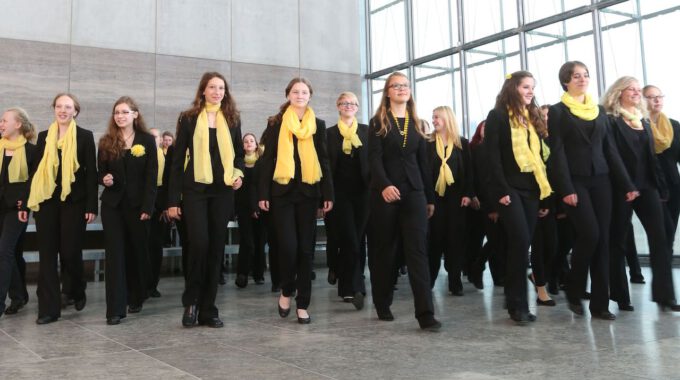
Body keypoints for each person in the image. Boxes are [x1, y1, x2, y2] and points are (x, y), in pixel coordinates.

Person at [548, 62, 636, 320]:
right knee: (591, 234)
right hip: (575, 182)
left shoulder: (597, 111)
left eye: (586, 75)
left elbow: (610, 150)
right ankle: (574, 286)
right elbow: (557, 153)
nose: (583, 79)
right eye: (576, 76)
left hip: (602, 181)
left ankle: (599, 304)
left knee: (603, 241)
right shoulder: (558, 111)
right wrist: (565, 188)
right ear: (566, 81)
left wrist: (627, 184)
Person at [168, 72, 244, 328]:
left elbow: (238, 157)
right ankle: (191, 301)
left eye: (221, 88)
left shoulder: (232, 119)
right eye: (212, 87)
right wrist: (172, 200)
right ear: (203, 90)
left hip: (222, 192)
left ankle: (208, 309)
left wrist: (239, 175)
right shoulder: (188, 118)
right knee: (199, 243)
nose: (217, 91)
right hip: (195, 191)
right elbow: (177, 161)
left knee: (215, 249)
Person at [367, 72, 440, 331]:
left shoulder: (418, 123)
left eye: (405, 85)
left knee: (418, 251)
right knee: (385, 250)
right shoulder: (378, 122)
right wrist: (384, 185)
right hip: (386, 193)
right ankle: (382, 301)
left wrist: (429, 197)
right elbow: (373, 160)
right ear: (387, 92)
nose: (402, 89)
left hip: (415, 192)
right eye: (396, 86)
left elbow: (424, 164)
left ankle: (425, 313)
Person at [258, 77, 333, 324]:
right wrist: (262, 194)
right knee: (288, 248)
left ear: (309, 96)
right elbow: (267, 160)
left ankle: (303, 304)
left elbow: (324, 161)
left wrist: (328, 195)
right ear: (288, 94)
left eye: (304, 92)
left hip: (309, 193)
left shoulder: (318, 125)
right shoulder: (276, 123)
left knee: (305, 250)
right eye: (295, 91)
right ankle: (286, 289)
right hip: (282, 193)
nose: (300, 95)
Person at [603, 76, 680, 312]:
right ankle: (620, 295)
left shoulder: (643, 121)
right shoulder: (611, 121)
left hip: (647, 187)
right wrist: (627, 186)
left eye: (638, 89)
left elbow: (650, 158)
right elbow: (612, 157)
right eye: (632, 89)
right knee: (617, 242)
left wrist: (660, 187)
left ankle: (665, 296)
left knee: (660, 238)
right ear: (619, 93)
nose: (637, 93)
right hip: (622, 188)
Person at [485, 71, 551, 324]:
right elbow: (491, 158)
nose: (530, 91)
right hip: (509, 189)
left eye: (532, 87)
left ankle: (515, 300)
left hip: (532, 189)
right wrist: (500, 191)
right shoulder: (498, 116)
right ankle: (518, 305)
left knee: (522, 245)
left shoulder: (532, 118)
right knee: (520, 241)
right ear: (513, 88)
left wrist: (544, 198)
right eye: (525, 87)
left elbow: (541, 160)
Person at [27, 93, 97, 325]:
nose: (63, 110)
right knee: (47, 255)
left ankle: (76, 288)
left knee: (69, 252)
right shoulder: (45, 136)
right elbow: (36, 171)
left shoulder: (85, 137)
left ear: (75, 111)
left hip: (74, 202)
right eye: (59, 106)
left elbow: (90, 174)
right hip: (47, 201)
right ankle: (48, 309)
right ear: (54, 109)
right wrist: (29, 201)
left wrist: (91, 206)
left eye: (68, 107)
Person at [98, 96, 158, 325]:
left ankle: (137, 294)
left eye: (124, 112)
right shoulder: (106, 141)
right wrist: (104, 178)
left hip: (137, 206)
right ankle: (114, 308)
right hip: (112, 206)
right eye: (116, 112)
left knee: (137, 251)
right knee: (114, 254)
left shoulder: (146, 140)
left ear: (135, 114)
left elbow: (151, 177)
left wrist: (148, 207)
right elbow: (98, 172)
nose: (120, 116)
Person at [325, 92, 369, 309]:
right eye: (345, 103)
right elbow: (325, 169)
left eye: (353, 103)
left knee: (358, 241)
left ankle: (346, 286)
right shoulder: (329, 134)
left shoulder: (366, 132)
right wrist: (324, 197)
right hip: (339, 195)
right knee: (350, 240)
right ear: (338, 106)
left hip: (363, 194)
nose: (349, 106)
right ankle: (357, 287)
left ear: (357, 108)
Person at [426, 106, 472, 295]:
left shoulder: (462, 144)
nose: (434, 120)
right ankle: (428, 282)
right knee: (434, 242)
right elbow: (424, 173)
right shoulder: (427, 143)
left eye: (437, 117)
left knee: (456, 242)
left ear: (447, 119)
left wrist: (468, 194)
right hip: (434, 200)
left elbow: (470, 172)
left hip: (456, 200)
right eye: (433, 117)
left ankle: (455, 281)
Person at [0, 107, 36, 318]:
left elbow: (33, 182)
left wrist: (26, 205)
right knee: (9, 253)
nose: (1, 124)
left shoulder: (31, 151)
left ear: (18, 124)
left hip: (18, 208)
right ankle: (19, 295)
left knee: (3, 251)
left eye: (5, 121)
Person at [643, 85, 680, 253]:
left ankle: (663, 272)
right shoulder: (639, 125)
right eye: (651, 97)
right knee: (663, 230)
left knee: (670, 232)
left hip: (673, 184)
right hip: (652, 185)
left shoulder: (674, 125)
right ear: (643, 101)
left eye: (659, 96)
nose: (657, 100)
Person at [234, 133, 266, 288]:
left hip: (260, 207)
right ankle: (242, 274)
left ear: (256, 144)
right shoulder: (238, 163)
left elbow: (262, 186)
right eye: (245, 141)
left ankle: (259, 274)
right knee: (247, 242)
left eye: (251, 141)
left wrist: (257, 206)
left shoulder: (262, 162)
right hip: (243, 208)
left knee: (260, 241)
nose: (248, 143)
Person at [147, 127, 169, 298]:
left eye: (155, 137)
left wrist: (165, 207)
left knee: (155, 246)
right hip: (144, 206)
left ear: (161, 140)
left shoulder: (167, 157)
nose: (152, 139)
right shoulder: (141, 156)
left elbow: (168, 184)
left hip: (160, 208)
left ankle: (152, 284)